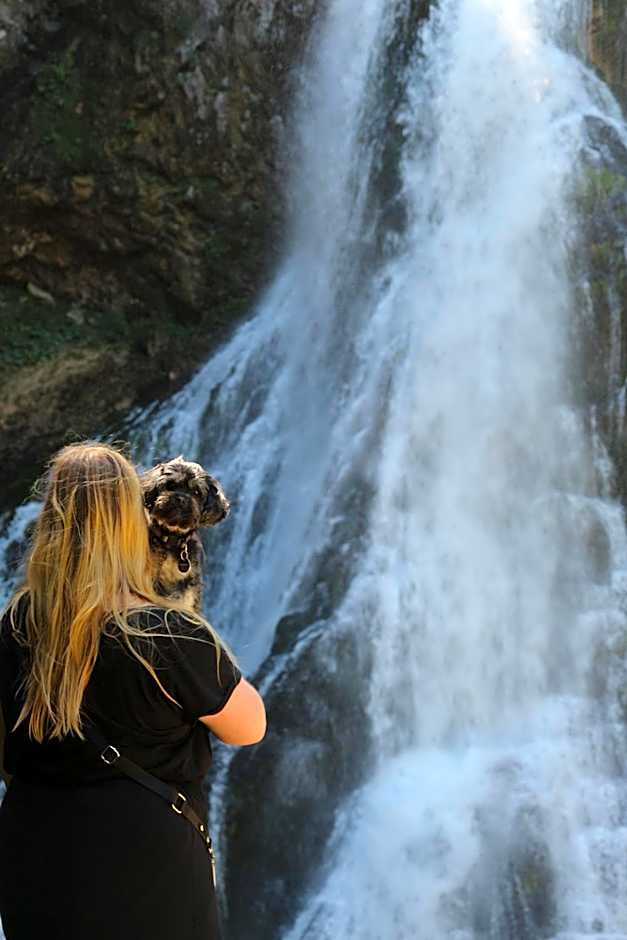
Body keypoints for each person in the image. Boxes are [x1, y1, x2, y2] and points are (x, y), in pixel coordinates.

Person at [0, 442, 266, 940]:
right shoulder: (166, 632)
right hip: (147, 870)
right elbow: (250, 727)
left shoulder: (16, 623)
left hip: (35, 862)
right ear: (133, 519)